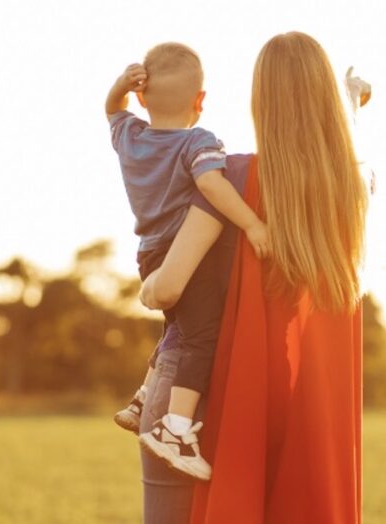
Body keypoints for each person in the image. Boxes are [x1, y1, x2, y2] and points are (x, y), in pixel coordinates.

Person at [129, 31, 370, 524]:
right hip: (298, 418)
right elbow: (335, 158)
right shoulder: (350, 193)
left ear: (259, 101)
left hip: (197, 406)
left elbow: (168, 289)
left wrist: (148, 283)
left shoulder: (230, 178)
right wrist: (352, 110)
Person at [105, 42, 270, 480]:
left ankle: (144, 397)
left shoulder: (130, 137)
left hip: (150, 253)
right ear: (200, 100)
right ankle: (174, 429)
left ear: (141, 97)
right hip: (187, 252)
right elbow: (213, 187)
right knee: (202, 335)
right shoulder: (198, 142)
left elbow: (111, 109)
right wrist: (253, 226)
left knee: (178, 326)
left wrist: (119, 86)